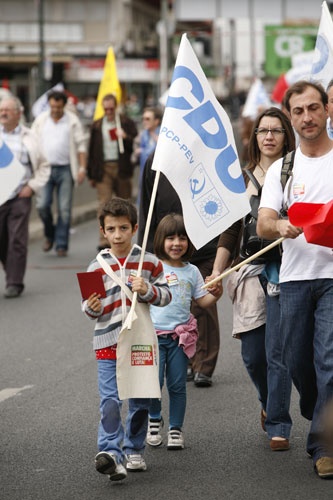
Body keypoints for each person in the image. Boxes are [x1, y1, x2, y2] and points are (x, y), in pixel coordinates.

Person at [257, 81, 333, 478]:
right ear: (290, 117)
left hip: (332, 277)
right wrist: (282, 225)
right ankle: (318, 410)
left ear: (327, 111)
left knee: (329, 361)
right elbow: (263, 222)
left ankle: (324, 445)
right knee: (300, 363)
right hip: (295, 279)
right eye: (299, 110)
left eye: (314, 108)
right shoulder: (282, 168)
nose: (307, 117)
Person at [208, 107, 295, 450]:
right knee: (253, 356)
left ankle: (278, 424)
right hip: (248, 271)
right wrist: (217, 270)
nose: (269, 136)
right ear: (254, 137)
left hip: (286, 272)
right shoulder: (242, 179)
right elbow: (230, 231)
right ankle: (267, 401)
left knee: (278, 353)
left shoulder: (296, 173)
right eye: (263, 131)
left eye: (276, 130)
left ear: (287, 135)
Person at [81, 198, 171, 482]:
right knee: (109, 400)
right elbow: (89, 306)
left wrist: (148, 291)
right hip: (107, 342)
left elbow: (166, 295)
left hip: (140, 342)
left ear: (134, 228)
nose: (117, 235)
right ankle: (109, 453)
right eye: (111, 229)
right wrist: (91, 308)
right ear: (102, 231)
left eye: (123, 228)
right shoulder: (95, 266)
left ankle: (134, 448)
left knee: (140, 400)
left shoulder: (149, 261)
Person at [138, 153, 220, 387]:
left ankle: (204, 363)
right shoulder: (156, 160)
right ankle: (181, 354)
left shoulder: (204, 155)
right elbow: (146, 205)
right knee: (170, 301)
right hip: (165, 247)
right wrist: (143, 247)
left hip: (203, 244)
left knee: (202, 304)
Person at [146, 214, 222, 450]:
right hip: (153, 337)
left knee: (177, 386)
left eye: (182, 238)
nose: (176, 243)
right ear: (161, 240)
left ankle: (176, 428)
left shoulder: (192, 272)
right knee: (152, 385)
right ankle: (154, 420)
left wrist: (217, 293)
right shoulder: (152, 267)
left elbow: (203, 301)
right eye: (170, 238)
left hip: (180, 339)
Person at [0, 96, 50, 298]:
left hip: (20, 195)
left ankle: (14, 281)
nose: (3, 113)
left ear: (18, 114)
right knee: (3, 240)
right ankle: (11, 269)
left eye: (7, 110)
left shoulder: (31, 137)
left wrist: (31, 186)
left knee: (17, 240)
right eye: (1, 110)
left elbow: (44, 165)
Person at [31, 90, 87, 257]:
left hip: (65, 169)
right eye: (52, 106)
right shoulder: (41, 120)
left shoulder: (72, 121)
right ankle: (50, 234)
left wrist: (82, 169)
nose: (55, 109)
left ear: (63, 105)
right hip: (45, 169)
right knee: (42, 205)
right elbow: (32, 142)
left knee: (64, 209)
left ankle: (61, 244)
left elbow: (81, 146)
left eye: (58, 106)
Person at [87, 93, 138, 249]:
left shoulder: (125, 122)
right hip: (103, 168)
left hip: (121, 167)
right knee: (104, 203)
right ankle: (104, 240)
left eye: (111, 108)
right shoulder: (97, 125)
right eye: (106, 109)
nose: (108, 111)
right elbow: (91, 150)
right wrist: (91, 174)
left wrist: (126, 137)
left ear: (115, 107)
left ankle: (126, 237)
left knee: (125, 203)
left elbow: (136, 145)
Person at [132, 106, 162, 184]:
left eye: (147, 119)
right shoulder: (143, 134)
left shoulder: (163, 135)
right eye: (143, 119)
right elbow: (134, 154)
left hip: (158, 177)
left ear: (156, 121)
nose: (144, 121)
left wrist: (142, 151)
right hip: (144, 175)